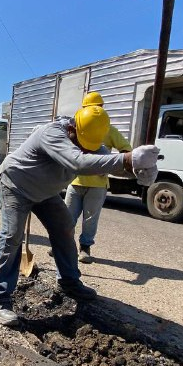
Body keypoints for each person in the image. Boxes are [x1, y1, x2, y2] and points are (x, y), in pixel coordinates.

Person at [0, 106, 160, 326]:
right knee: (12, 237)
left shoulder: (89, 139)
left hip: (46, 192)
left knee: (65, 228)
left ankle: (69, 281)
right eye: (81, 144)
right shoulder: (52, 133)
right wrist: (127, 159)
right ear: (72, 128)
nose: (85, 148)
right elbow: (78, 161)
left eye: (89, 147)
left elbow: (105, 160)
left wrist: (137, 169)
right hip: (15, 185)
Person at [65, 92, 131, 263]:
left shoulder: (109, 130)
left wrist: (109, 165)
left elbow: (126, 151)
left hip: (97, 184)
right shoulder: (77, 128)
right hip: (75, 181)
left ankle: (84, 248)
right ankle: (62, 244)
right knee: (67, 216)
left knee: (90, 219)